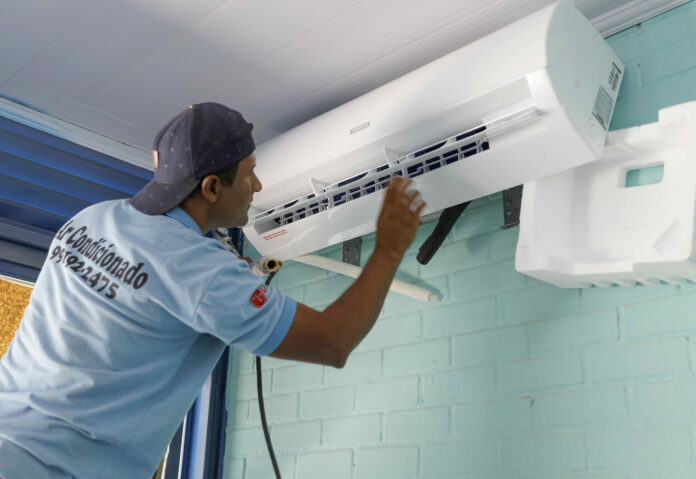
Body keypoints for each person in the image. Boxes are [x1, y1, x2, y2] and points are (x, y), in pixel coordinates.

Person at [0, 102, 425, 478]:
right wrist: (389, 248)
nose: (258, 186)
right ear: (212, 188)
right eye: (250, 172)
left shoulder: (90, 219)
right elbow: (333, 341)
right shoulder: (200, 270)